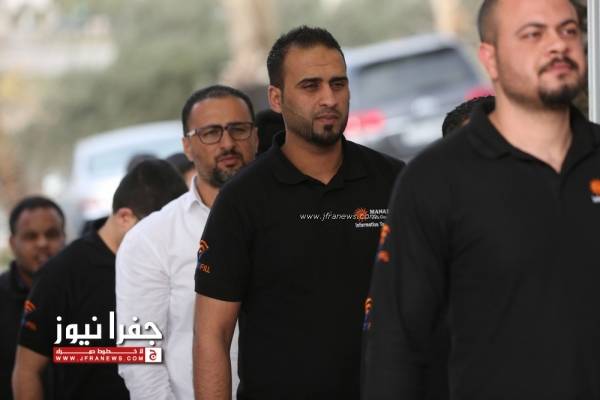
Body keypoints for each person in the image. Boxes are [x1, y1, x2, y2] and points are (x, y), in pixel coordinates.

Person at [363, 0, 600, 399]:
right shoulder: (434, 180)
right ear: (490, 59)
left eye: (568, 30)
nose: (557, 45)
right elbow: (395, 346)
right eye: (533, 34)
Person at [193, 26, 404, 400]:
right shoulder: (242, 200)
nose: (329, 98)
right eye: (311, 86)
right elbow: (212, 335)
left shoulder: (395, 182)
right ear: (276, 98)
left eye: (338, 84)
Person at [116, 85, 258, 399]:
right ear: (187, 147)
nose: (227, 143)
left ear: (256, 137)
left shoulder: (291, 216)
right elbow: (138, 356)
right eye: (211, 133)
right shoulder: (151, 239)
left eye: (238, 129)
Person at [12, 159, 188, 400]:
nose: (166, 242)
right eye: (157, 232)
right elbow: (27, 371)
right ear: (124, 217)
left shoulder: (173, 263)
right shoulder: (62, 274)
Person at [0, 196, 65, 400]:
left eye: (51, 234)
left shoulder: (84, 291)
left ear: (64, 237)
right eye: (31, 236)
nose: (42, 243)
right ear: (13, 243)